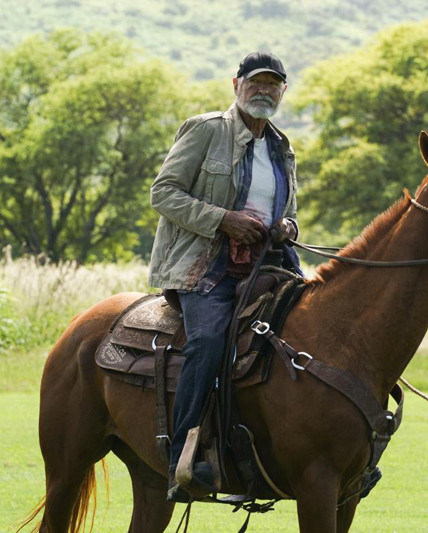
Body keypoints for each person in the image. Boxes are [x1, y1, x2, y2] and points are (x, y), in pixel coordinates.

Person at [148, 51, 302, 502]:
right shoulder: (206, 129)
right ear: (236, 85)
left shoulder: (283, 146)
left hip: (268, 264)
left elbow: (289, 211)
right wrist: (223, 219)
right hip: (205, 266)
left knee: (319, 332)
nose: (264, 91)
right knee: (209, 342)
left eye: (273, 84)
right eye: (256, 82)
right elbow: (163, 193)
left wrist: (288, 227)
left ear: (283, 92)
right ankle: (185, 459)